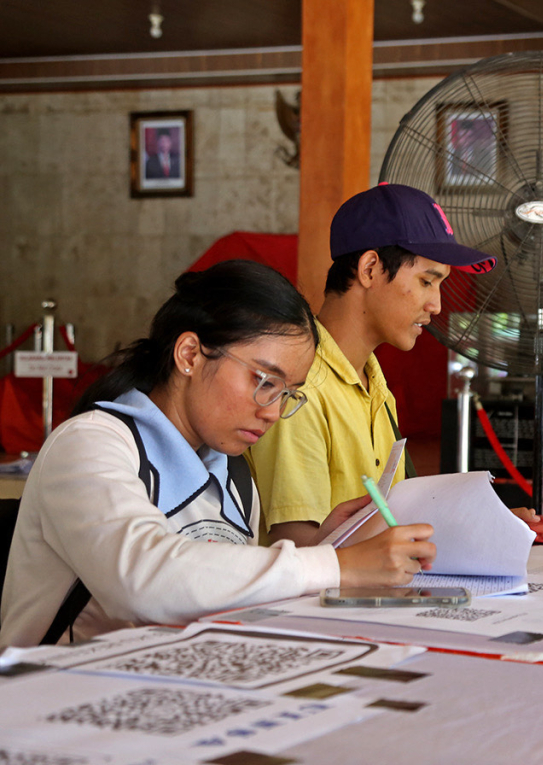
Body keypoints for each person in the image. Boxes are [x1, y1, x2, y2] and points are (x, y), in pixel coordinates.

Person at [0, 261, 435, 648]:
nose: (273, 412)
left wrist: (328, 544)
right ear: (190, 354)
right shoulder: (90, 445)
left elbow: (217, 590)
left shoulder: (233, 476)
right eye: (264, 381)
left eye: (288, 394)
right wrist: (335, 565)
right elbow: (143, 580)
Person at [246, 183, 511, 547]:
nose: (436, 304)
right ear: (370, 269)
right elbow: (296, 549)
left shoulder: (374, 383)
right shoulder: (300, 386)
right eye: (426, 281)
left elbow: (389, 524)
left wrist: (481, 523)